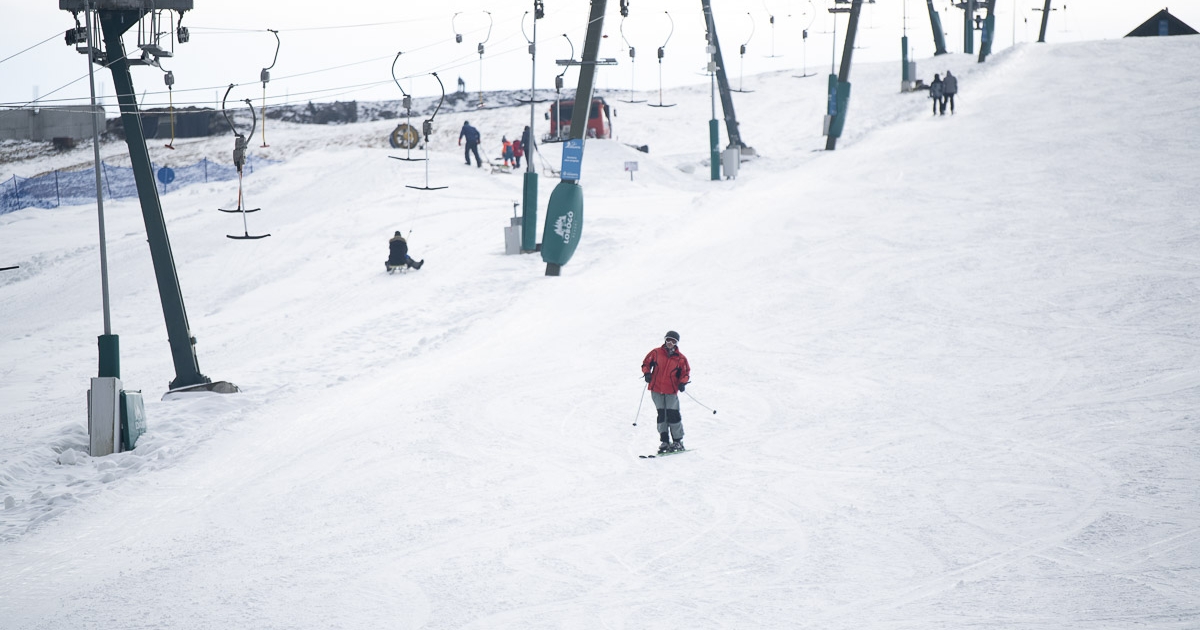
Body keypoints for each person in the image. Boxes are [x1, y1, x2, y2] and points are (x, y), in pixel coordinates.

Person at [641, 330, 691, 453]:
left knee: (673, 415)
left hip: (671, 390)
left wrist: (682, 382)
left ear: (676, 343)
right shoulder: (656, 353)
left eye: (673, 341)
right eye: (668, 340)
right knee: (662, 415)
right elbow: (645, 364)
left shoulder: (680, 359)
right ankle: (664, 441)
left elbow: (685, 373)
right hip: (656, 389)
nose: (670, 343)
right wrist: (647, 373)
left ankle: (678, 441)